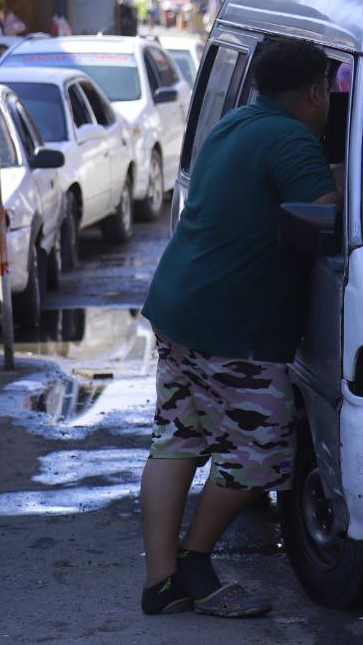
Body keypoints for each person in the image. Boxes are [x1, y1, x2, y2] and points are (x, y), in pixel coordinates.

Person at [138, 38, 340, 618]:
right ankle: (197, 564)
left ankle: (161, 582)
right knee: (263, 453)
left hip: (180, 308)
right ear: (314, 91)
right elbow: (328, 221)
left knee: (178, 438)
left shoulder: (234, 124)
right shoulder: (292, 139)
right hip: (233, 328)